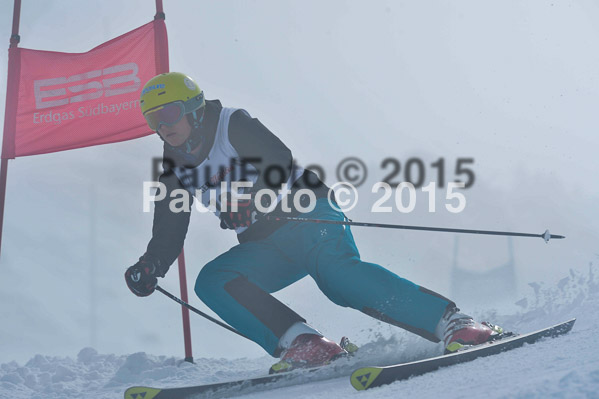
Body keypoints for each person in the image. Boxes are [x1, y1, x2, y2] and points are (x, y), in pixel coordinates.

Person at [124, 72, 504, 373]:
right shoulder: (173, 171)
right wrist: (150, 266)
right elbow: (169, 230)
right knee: (212, 280)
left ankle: (452, 322)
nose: (162, 125)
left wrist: (252, 197)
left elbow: (277, 158)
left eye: (169, 113)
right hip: (264, 245)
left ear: (192, 108)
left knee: (336, 278)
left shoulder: (230, 123)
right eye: (153, 119)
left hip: (308, 214)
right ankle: (304, 342)